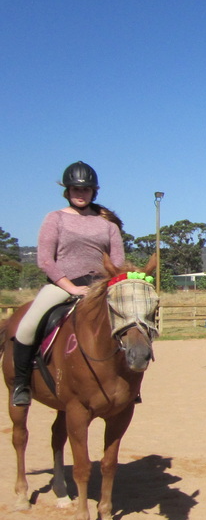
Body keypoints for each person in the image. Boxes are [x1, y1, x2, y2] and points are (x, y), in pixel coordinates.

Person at [10, 162, 125, 407]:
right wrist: (70, 288)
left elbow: (118, 262)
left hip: (100, 287)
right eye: (75, 189)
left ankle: (129, 382)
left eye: (85, 190)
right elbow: (44, 260)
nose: (80, 194)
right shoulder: (55, 219)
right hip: (62, 285)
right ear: (67, 191)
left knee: (132, 321)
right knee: (27, 327)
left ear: (94, 191)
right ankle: (21, 384)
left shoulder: (108, 225)